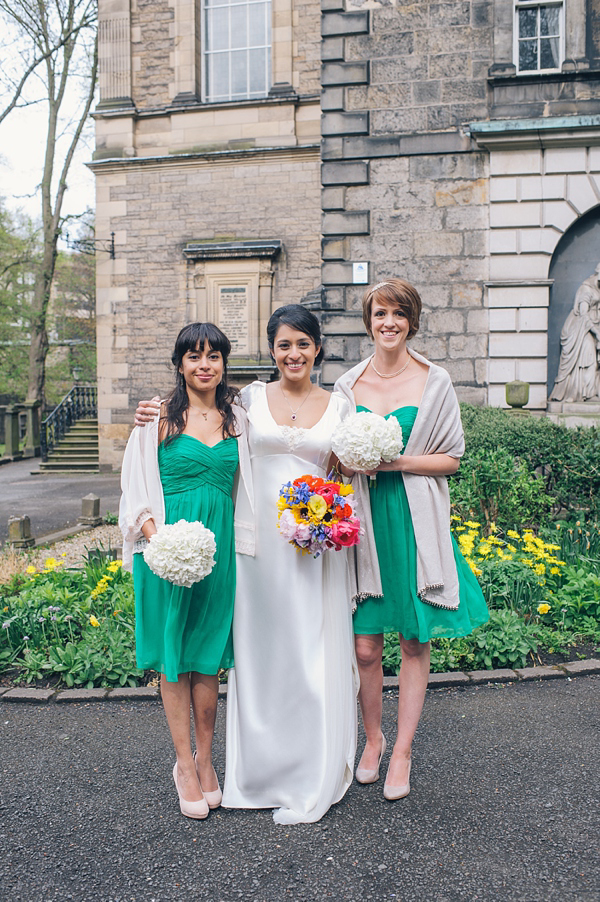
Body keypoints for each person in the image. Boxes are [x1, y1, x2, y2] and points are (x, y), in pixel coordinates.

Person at [134, 306, 357, 826]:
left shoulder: (335, 406)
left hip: (308, 538)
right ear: (271, 350)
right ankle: (232, 768)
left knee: (299, 650)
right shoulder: (250, 401)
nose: (293, 353)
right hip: (248, 544)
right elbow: (187, 411)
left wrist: (334, 509)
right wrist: (148, 410)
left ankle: (307, 762)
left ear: (318, 348)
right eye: (283, 344)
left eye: (303, 343)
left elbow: (346, 471)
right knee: (253, 653)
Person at [334, 279, 489, 800]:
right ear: (369, 320)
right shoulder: (348, 385)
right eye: (380, 313)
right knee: (364, 645)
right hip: (366, 521)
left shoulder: (435, 381)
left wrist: (392, 461)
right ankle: (373, 741)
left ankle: (402, 753)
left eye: (399, 314)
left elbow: (451, 459)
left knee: (414, 639)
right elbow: (330, 454)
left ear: (412, 321)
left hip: (412, 516)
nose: (389, 323)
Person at [119, 322, 253, 820]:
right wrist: (162, 543)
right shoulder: (156, 421)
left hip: (219, 552)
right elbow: (134, 488)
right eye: (194, 356)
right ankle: (183, 764)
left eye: (214, 356)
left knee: (208, 657)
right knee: (174, 657)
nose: (204, 365)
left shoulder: (240, 417)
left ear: (223, 363)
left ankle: (207, 759)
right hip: (168, 551)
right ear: (179, 364)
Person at [550, 263, 600, 402]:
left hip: (592, 328)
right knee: (588, 360)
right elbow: (583, 315)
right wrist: (596, 333)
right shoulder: (587, 289)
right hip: (580, 330)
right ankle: (582, 393)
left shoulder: (598, 288)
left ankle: (590, 392)